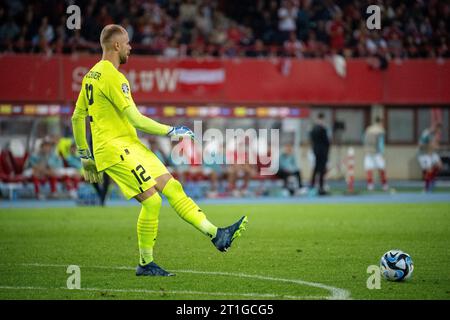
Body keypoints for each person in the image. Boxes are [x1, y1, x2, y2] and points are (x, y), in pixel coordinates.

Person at [71, 24, 247, 277]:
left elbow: (78, 117)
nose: (131, 47)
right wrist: (172, 130)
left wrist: (85, 155)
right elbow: (137, 120)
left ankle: (217, 235)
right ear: (117, 45)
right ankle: (145, 263)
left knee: (172, 188)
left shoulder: (90, 75)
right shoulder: (113, 76)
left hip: (131, 145)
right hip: (115, 147)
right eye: (128, 42)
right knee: (152, 201)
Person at [363, 117, 388, 191]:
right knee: (382, 168)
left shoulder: (368, 129)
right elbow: (381, 143)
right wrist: (382, 152)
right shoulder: (380, 130)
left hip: (368, 152)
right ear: (380, 122)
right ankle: (384, 185)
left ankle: (370, 186)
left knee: (369, 169)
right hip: (376, 152)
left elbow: (363, 139)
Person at [418, 123, 443, 192]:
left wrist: (435, 146)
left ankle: (432, 180)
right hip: (423, 154)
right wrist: (429, 145)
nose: (439, 131)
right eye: (438, 129)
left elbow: (434, 144)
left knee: (440, 165)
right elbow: (420, 145)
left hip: (431, 153)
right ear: (434, 127)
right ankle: (426, 188)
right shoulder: (426, 133)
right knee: (429, 170)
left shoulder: (435, 134)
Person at [309, 113, 330, 195]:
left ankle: (316, 185)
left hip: (319, 151)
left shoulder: (316, 129)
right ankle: (317, 186)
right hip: (320, 152)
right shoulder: (319, 129)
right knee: (319, 169)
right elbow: (326, 142)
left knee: (319, 169)